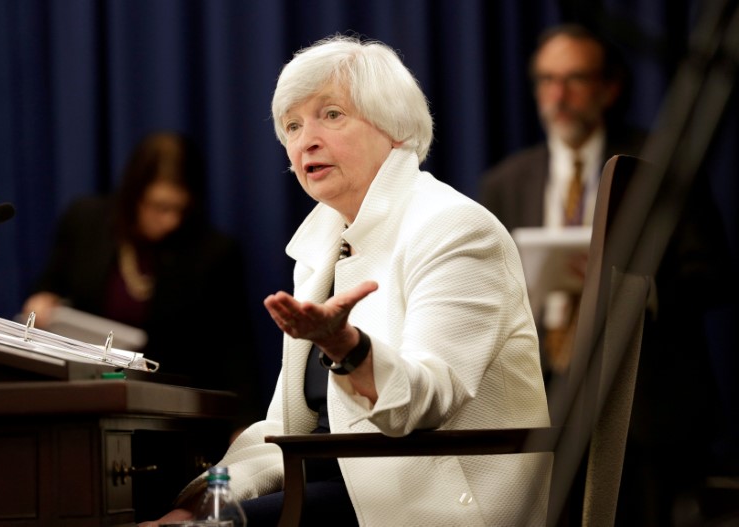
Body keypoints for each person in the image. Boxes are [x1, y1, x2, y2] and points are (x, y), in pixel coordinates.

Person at [140, 34, 551, 527]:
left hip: (439, 501)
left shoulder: (454, 227)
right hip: (345, 484)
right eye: (292, 126)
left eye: (331, 114)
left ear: (395, 129)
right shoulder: (321, 244)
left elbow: (427, 400)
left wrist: (348, 348)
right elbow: (288, 428)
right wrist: (201, 503)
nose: (304, 140)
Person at [479, 23, 733, 526]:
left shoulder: (663, 162)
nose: (559, 95)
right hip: (543, 402)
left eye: (574, 79)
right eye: (547, 80)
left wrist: (632, 291)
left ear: (609, 87)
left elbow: (713, 274)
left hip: (649, 402)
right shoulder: (505, 181)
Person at [22, 131, 263, 430]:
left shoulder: (213, 251)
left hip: (172, 415)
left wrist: (244, 425)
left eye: (180, 209)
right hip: (86, 401)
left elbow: (235, 349)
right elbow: (49, 285)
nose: (171, 220)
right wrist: (43, 300)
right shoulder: (85, 221)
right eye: (160, 206)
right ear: (134, 194)